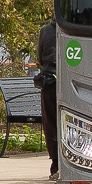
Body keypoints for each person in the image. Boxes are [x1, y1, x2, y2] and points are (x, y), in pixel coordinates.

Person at [34, 17, 62, 174]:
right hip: (71, 78)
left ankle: (55, 164)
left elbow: (39, 58)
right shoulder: (79, 28)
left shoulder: (46, 31)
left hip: (50, 80)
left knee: (51, 123)